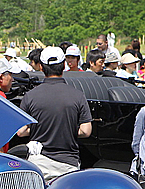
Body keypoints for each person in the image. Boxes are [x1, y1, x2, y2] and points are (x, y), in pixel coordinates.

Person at [17, 46, 92, 181]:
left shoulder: (30, 96)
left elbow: (21, 132)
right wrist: (66, 129)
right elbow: (86, 131)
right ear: (63, 65)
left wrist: (39, 128)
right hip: (68, 164)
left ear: (41, 67)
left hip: (38, 163)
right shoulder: (78, 95)